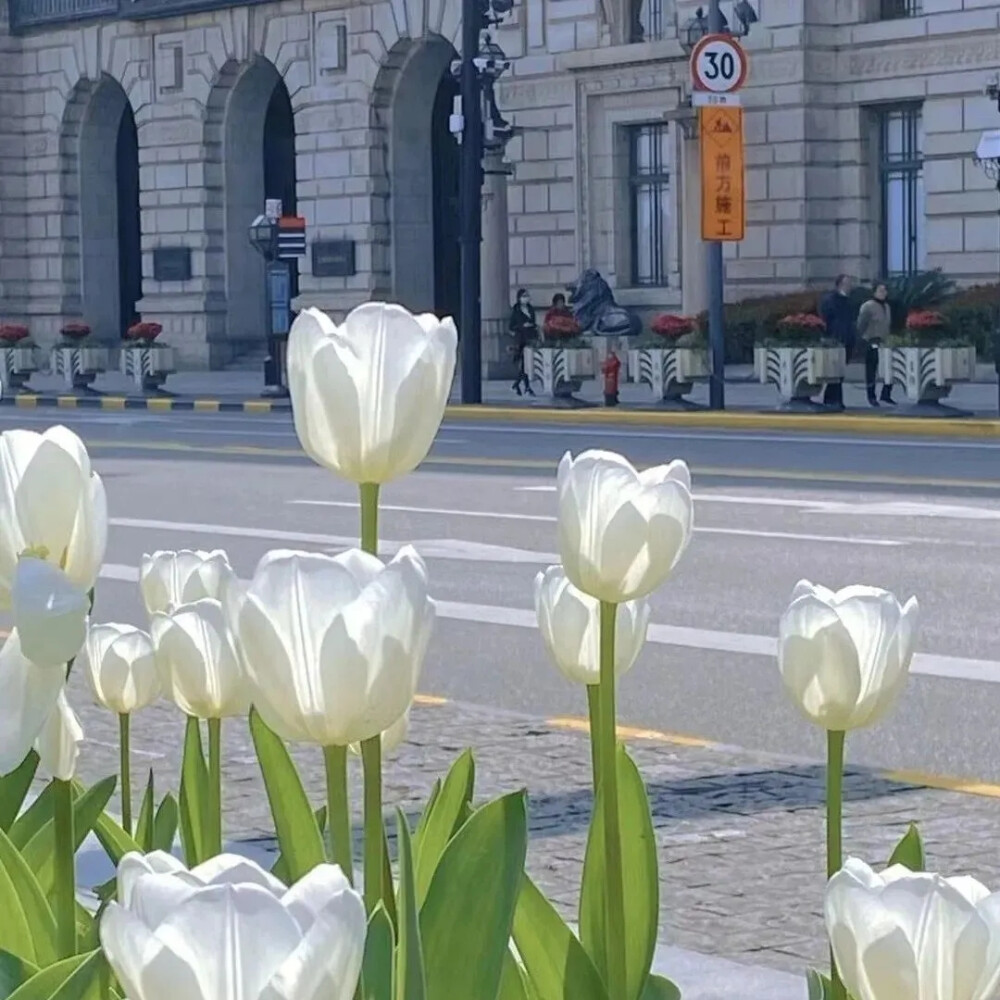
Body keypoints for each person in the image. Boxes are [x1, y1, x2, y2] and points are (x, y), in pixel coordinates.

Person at [819, 274, 857, 409]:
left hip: (847, 340)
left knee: (840, 372)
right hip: (835, 339)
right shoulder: (831, 299)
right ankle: (832, 399)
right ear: (840, 284)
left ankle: (835, 399)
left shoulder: (848, 300)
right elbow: (826, 319)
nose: (850, 286)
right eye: (848, 283)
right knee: (834, 371)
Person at [857, 282, 894, 407]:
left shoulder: (887, 307)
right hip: (871, 340)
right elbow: (861, 325)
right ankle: (871, 396)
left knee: (889, 368)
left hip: (885, 342)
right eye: (880, 290)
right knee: (871, 370)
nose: (884, 293)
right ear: (874, 292)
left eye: (885, 290)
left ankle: (886, 394)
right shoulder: (867, 306)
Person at [508, 289, 537, 396]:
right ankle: (526, 387)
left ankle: (519, 385)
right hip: (520, 340)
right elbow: (511, 326)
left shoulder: (531, 309)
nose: (526, 298)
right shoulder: (516, 310)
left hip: (530, 338)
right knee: (524, 364)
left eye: (527, 296)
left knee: (526, 364)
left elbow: (534, 322)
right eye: (524, 296)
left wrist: (532, 326)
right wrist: (522, 326)